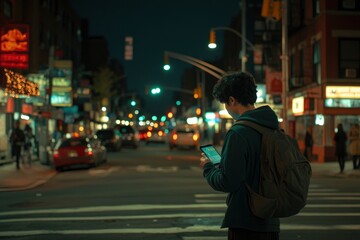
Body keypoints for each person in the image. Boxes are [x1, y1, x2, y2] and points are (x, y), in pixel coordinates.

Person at [199, 72, 280, 240]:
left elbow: (228, 181)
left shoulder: (238, 132)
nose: (227, 110)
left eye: (225, 104)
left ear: (232, 100)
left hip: (245, 221)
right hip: (270, 219)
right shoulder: (272, 127)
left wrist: (208, 168)